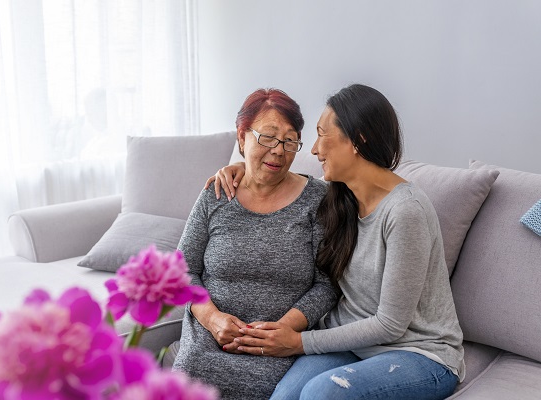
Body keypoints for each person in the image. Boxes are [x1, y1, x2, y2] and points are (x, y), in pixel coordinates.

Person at [208, 84, 465, 400]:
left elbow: (391, 325)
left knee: (324, 392)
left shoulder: (405, 211)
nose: (314, 150)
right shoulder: (341, 196)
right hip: (354, 346)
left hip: (420, 354)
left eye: (321, 134)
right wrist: (241, 168)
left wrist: (299, 342)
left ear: (357, 139)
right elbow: (285, 183)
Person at [172, 88, 339, 400]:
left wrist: (283, 330)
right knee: (190, 375)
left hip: (279, 348)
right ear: (242, 136)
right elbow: (182, 271)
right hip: (209, 341)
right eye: (268, 137)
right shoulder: (216, 194)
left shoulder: (318, 200)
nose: (278, 150)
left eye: (290, 140)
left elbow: (328, 283)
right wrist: (211, 318)